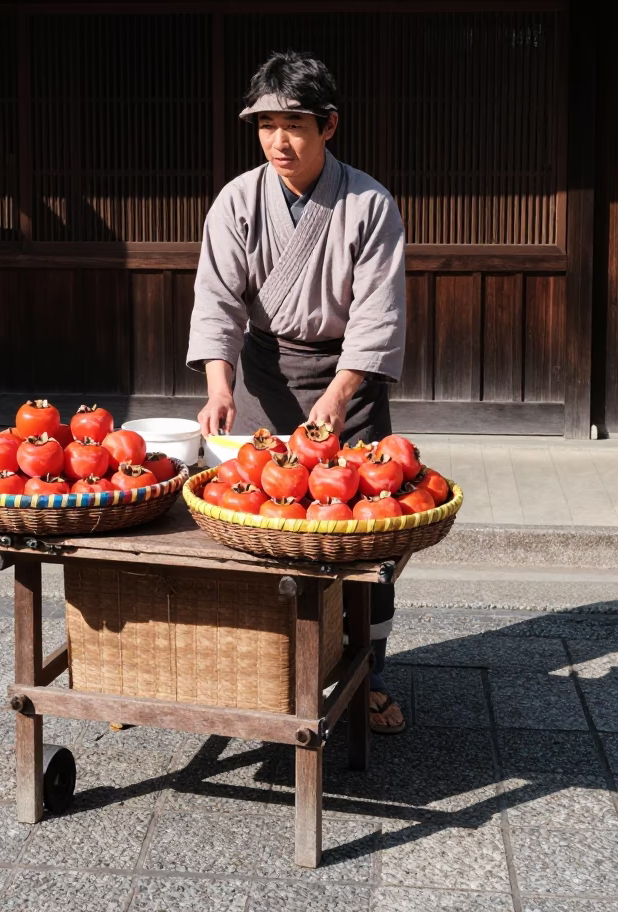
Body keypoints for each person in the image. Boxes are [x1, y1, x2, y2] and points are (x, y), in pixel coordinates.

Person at [186, 50, 407, 733]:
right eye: (265, 124)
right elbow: (218, 297)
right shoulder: (237, 200)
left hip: (349, 381)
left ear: (329, 127)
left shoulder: (369, 204)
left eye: (295, 124)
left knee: (362, 543)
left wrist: (342, 390)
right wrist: (219, 384)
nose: (279, 140)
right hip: (263, 377)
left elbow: (377, 311)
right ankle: (268, 671)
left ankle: (369, 675)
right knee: (262, 532)